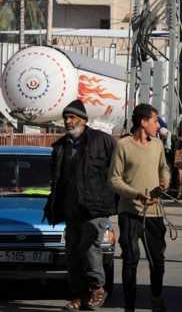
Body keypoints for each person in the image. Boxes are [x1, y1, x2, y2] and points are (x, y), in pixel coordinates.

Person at [43, 100, 116, 312]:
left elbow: (116, 172)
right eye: (66, 117)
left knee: (90, 248)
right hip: (70, 207)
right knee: (73, 252)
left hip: (95, 207)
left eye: (72, 117)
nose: (68, 121)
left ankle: (97, 289)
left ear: (83, 120)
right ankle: (79, 295)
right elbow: (56, 180)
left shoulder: (102, 141)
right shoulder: (60, 147)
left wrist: (111, 201)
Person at [109, 104, 171, 312]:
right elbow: (114, 180)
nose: (158, 125)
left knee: (158, 260)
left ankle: (156, 296)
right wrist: (135, 194)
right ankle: (129, 305)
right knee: (130, 259)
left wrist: (164, 182)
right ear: (143, 122)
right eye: (155, 120)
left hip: (154, 212)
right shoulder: (123, 145)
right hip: (129, 211)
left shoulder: (158, 145)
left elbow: (164, 168)